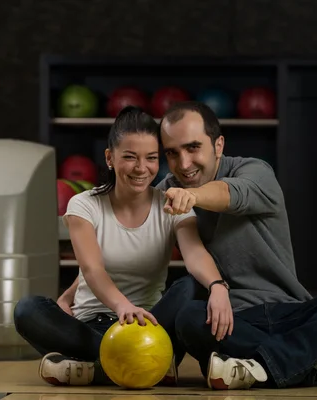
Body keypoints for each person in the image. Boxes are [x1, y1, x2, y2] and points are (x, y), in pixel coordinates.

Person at [153, 101, 317, 390]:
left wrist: (191, 197)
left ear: (218, 145)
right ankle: (314, 366)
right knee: (189, 317)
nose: (183, 164)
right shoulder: (167, 192)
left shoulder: (255, 171)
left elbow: (231, 193)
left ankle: (265, 364)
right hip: (230, 323)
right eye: (172, 152)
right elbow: (129, 239)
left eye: (193, 148)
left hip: (293, 314)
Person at [13, 106, 233, 387]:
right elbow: (92, 269)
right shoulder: (83, 205)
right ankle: (139, 366)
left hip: (151, 326)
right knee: (27, 309)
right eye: (130, 157)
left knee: (191, 286)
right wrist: (123, 307)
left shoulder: (170, 203)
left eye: (151, 158)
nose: (141, 168)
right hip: (92, 323)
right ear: (110, 157)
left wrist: (217, 285)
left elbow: (195, 254)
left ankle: (94, 369)